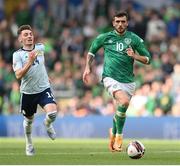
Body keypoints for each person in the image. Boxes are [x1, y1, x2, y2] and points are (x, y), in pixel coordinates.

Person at [83, 11, 151, 152]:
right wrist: (87, 67)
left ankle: (113, 135)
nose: (120, 24)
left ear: (127, 23)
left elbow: (148, 59)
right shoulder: (105, 37)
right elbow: (91, 51)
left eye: (123, 21)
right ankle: (119, 137)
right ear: (113, 23)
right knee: (124, 102)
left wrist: (134, 56)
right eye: (117, 21)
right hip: (110, 77)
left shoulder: (134, 39)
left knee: (121, 110)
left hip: (128, 81)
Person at [12, 25, 58, 156]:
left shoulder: (40, 48)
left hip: (43, 88)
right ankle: (29, 143)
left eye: (30, 34)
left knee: (52, 114)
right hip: (28, 92)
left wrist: (45, 75)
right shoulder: (17, 55)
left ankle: (48, 124)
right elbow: (18, 75)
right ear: (20, 39)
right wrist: (29, 62)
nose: (29, 36)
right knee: (29, 121)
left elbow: (41, 64)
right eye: (25, 35)